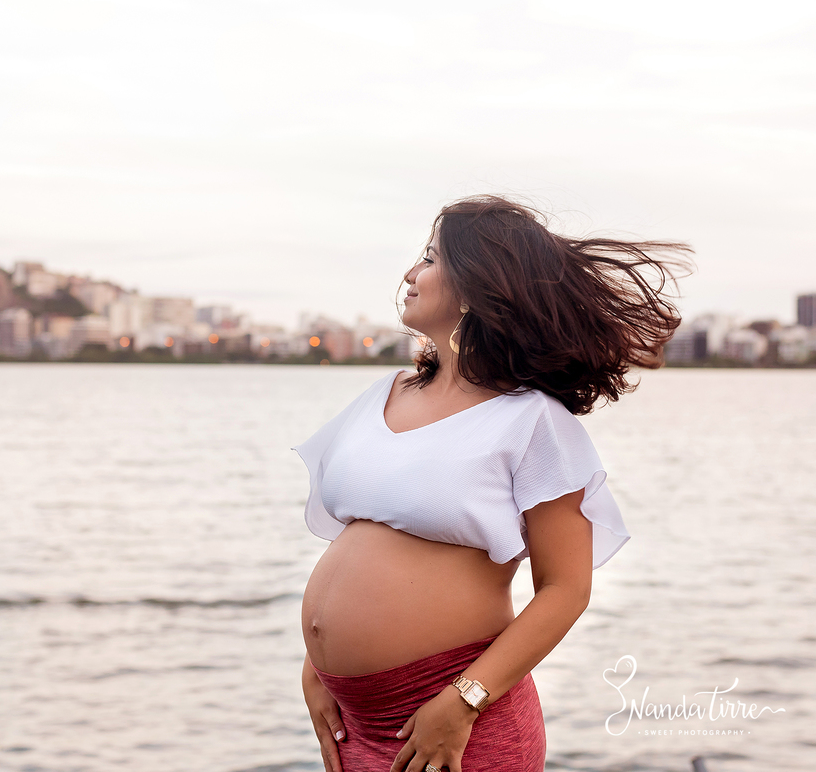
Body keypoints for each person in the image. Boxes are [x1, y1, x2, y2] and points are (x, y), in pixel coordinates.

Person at [294, 195, 688, 772]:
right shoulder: (384, 394)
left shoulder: (532, 422)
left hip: (453, 721)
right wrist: (315, 665)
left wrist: (464, 700)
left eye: (429, 259)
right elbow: (360, 538)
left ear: (479, 284)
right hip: (353, 721)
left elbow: (566, 589)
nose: (409, 273)